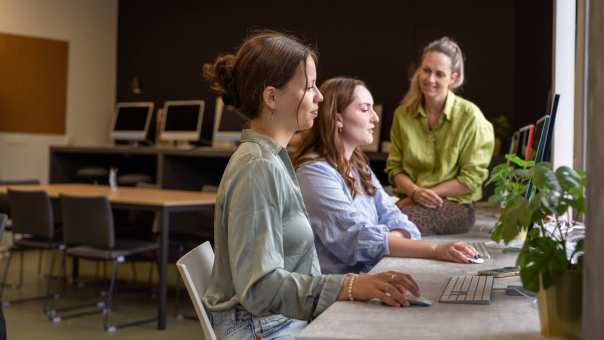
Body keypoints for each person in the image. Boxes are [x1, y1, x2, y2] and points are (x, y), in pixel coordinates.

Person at [201, 31, 420, 340]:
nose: (319, 96)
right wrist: (349, 286)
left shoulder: (274, 159)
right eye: (308, 86)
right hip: (263, 329)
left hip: (280, 321)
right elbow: (260, 288)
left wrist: (353, 284)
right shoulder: (257, 167)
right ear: (272, 97)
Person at [293, 77, 478, 274]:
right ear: (338, 118)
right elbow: (357, 240)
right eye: (365, 109)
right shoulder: (314, 173)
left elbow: (397, 219)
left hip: (372, 277)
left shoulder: (358, 166)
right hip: (337, 295)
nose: (375, 118)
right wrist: (435, 249)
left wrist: (384, 241)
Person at [386, 37, 494, 235]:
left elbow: (470, 180)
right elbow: (395, 169)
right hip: (408, 198)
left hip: (455, 206)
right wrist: (414, 192)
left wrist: (417, 196)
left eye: (440, 74)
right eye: (426, 70)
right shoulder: (402, 115)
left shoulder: (471, 117)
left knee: (399, 223)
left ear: (453, 77)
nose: (430, 79)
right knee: (370, 216)